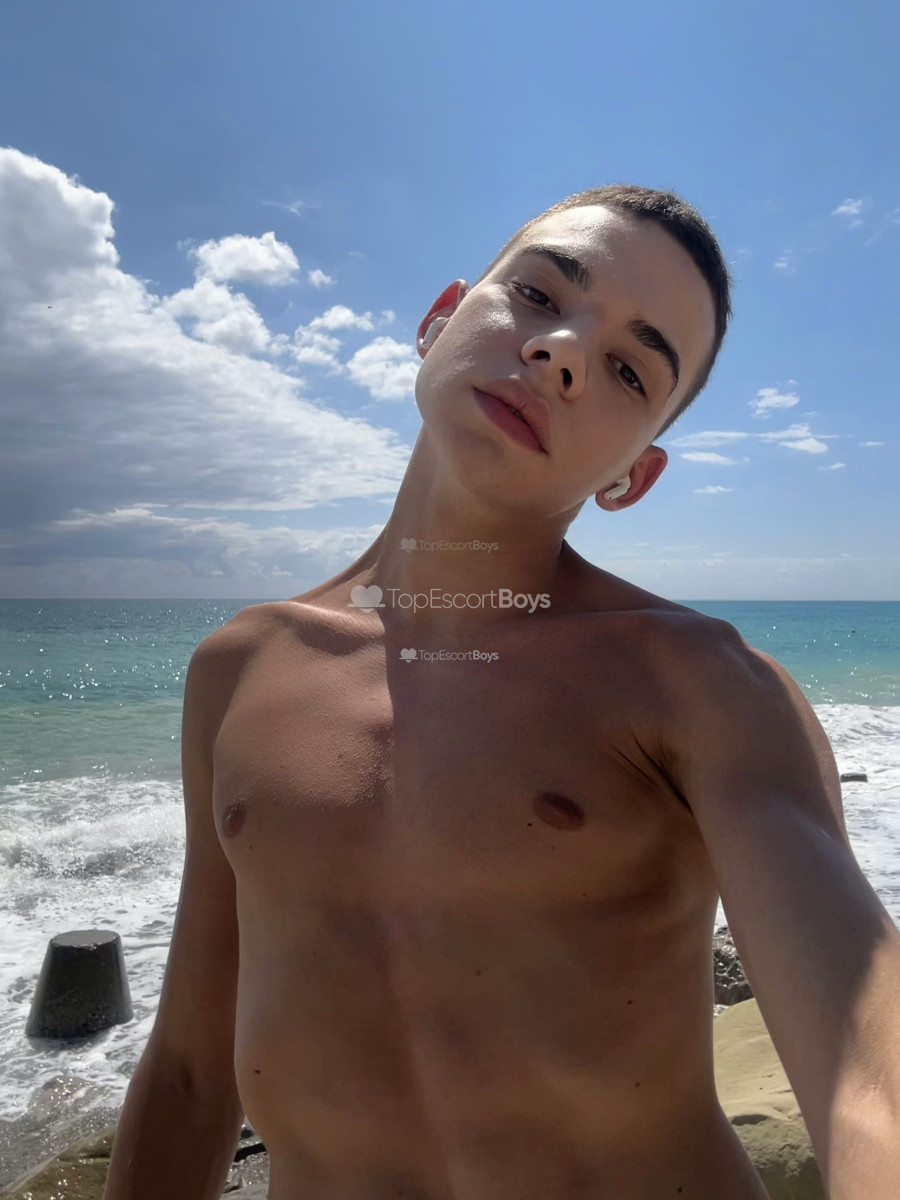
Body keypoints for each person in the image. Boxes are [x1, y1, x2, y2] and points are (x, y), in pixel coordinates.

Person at [103, 185, 900, 1199]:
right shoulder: (239, 671)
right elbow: (187, 1070)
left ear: (633, 477)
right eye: (538, 294)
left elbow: (869, 1075)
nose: (562, 352)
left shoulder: (701, 687)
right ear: (441, 319)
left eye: (628, 369)